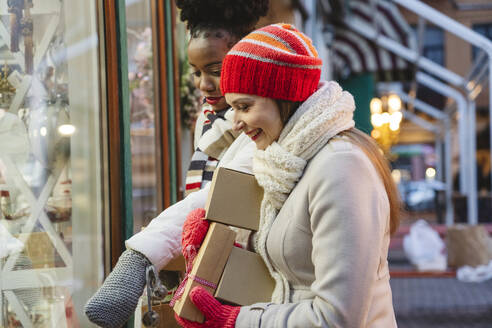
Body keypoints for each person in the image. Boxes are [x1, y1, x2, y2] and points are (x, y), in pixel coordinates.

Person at [175, 23, 401, 328]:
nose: (236, 123)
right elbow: (288, 271)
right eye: (232, 108)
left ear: (284, 96)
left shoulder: (341, 167)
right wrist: (223, 247)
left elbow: (338, 317)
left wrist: (237, 321)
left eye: (244, 106)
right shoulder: (284, 162)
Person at [84, 1, 267, 327]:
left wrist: (141, 254)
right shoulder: (209, 119)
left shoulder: (260, 126)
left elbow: (218, 195)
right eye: (195, 72)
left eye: (215, 71)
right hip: (215, 267)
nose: (203, 84)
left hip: (247, 276)